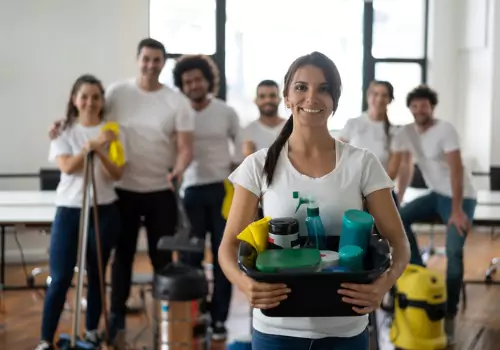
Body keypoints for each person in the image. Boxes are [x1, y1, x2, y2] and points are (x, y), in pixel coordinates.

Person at [218, 51, 410, 349]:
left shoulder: (362, 164)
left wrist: (382, 286)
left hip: (346, 327)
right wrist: (246, 285)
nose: (312, 97)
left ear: (334, 100)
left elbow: (400, 243)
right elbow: (227, 248)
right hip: (276, 329)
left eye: (323, 89)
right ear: (286, 97)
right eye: (301, 87)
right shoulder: (258, 165)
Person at [48, 38, 194, 349]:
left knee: (161, 258)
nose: (151, 65)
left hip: (160, 190)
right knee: (122, 259)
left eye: (157, 60)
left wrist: (178, 169)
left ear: (163, 63)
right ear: (138, 59)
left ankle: (162, 319)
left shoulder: (176, 100)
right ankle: (115, 319)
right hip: (122, 191)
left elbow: (184, 148)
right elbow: (91, 115)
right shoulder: (117, 92)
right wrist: (64, 124)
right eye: (146, 59)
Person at [36, 75, 126, 350]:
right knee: (61, 276)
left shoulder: (113, 131)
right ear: (74, 100)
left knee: (96, 274)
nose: (90, 102)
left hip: (104, 209)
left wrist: (99, 148)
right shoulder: (64, 131)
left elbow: (117, 173)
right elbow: (68, 167)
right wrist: (91, 144)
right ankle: (45, 338)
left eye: (96, 97)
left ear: (102, 101)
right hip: (69, 209)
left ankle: (90, 332)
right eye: (84, 96)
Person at [395, 85, 476, 345]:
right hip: (435, 194)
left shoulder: (445, 130)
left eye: (424, 105)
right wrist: (398, 195)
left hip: (460, 197)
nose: (420, 109)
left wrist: (456, 210)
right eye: (415, 105)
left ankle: (449, 314)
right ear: (410, 108)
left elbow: (456, 170)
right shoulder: (407, 133)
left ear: (432, 107)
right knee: (399, 218)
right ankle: (419, 270)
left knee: (453, 252)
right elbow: (405, 167)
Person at [172, 54, 243, 340]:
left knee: (223, 255)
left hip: (222, 191)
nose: (193, 84)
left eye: (197, 79)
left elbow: (239, 154)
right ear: (182, 85)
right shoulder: (178, 113)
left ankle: (219, 319)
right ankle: (197, 312)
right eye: (187, 81)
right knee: (190, 258)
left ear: (207, 80)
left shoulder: (226, 112)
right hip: (190, 193)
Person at [339, 81, 401, 181]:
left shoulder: (394, 132)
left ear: (389, 100)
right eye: (375, 94)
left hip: (380, 188)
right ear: (368, 97)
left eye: (384, 95)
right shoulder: (353, 124)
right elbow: (336, 156)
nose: (379, 99)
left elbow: (392, 172)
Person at [241, 80, 286, 157]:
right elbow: (237, 165)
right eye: (262, 96)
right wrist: (248, 157)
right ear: (255, 101)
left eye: (272, 96)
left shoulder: (293, 128)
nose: (268, 100)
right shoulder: (246, 132)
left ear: (280, 99)